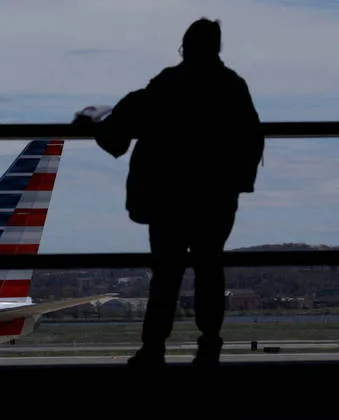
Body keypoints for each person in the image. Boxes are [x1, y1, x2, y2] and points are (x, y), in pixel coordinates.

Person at [83, 18, 265, 367]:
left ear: (186, 47)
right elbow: (251, 138)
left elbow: (118, 132)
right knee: (210, 270)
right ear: (217, 48)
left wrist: (95, 123)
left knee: (166, 274)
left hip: (167, 199)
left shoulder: (168, 84)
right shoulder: (231, 86)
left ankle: (154, 347)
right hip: (215, 198)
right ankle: (209, 343)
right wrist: (234, 183)